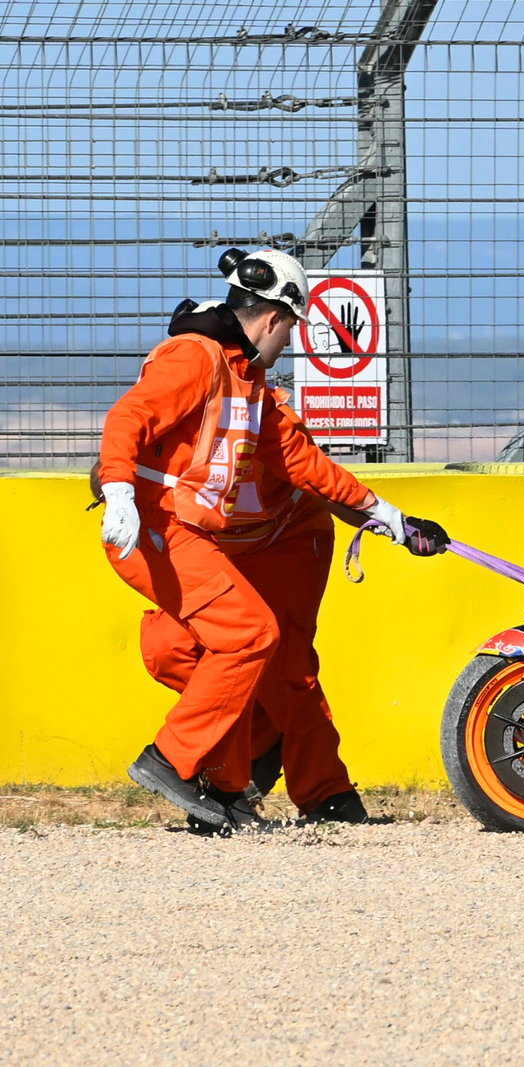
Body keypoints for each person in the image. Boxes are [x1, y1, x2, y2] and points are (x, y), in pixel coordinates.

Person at [99, 247, 446, 831]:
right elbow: (127, 419)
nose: (289, 344)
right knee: (209, 644)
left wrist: (388, 516)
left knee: (260, 650)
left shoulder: (248, 382)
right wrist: (119, 492)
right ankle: (179, 762)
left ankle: (234, 785)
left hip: (237, 538)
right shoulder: (196, 357)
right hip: (160, 527)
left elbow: (303, 462)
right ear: (275, 318)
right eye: (291, 330)